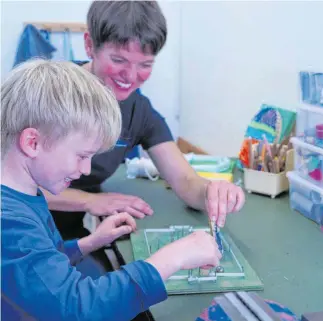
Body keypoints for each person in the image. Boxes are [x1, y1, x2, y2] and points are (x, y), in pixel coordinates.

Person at [1, 59, 222, 321]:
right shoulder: (10, 221)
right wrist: (174, 257)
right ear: (33, 142)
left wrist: (88, 243)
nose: (85, 169)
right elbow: (79, 308)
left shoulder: (24, 194)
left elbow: (42, 267)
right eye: (82, 155)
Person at [45, 0, 245, 244]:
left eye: (145, 64)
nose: (130, 76)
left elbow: (185, 181)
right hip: (18, 231)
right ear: (89, 45)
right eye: (118, 60)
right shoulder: (48, 92)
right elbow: (9, 186)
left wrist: (212, 193)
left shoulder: (139, 112)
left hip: (69, 237)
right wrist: (89, 200)